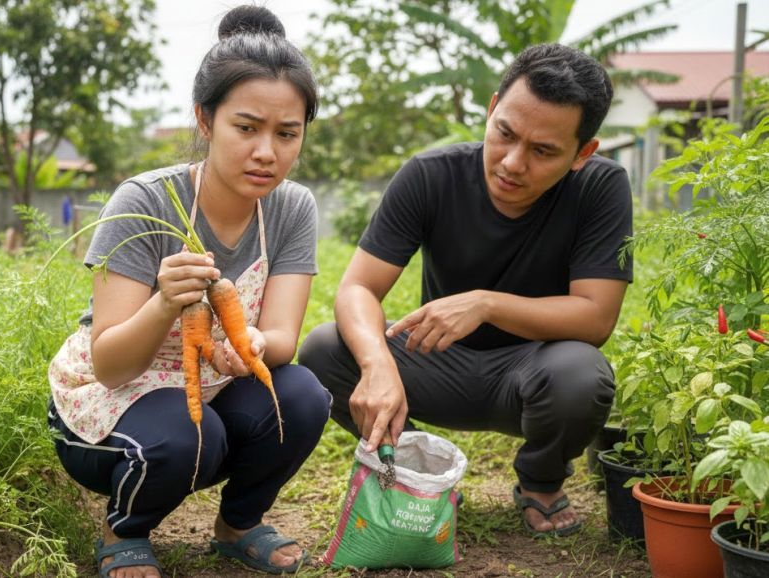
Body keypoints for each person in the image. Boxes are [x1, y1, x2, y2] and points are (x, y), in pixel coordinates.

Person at [299, 43, 632, 539]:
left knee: (582, 375)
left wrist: (486, 304)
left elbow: (595, 317)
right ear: (492, 107)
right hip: (433, 363)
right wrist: (377, 365)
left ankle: (540, 483)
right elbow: (357, 289)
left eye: (543, 151)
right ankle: (417, 471)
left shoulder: (601, 188)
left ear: (583, 153)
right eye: (505, 134)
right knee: (325, 349)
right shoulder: (430, 176)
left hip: (534, 373)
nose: (513, 163)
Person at [47, 6, 330, 577]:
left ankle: (238, 525)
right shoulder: (145, 201)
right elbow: (110, 364)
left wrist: (250, 340)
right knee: (187, 429)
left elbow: (282, 341)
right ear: (204, 120)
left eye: (286, 133)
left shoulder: (292, 207)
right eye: (246, 128)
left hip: (212, 381)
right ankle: (123, 529)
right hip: (109, 401)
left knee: (300, 397)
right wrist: (163, 302)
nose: (266, 153)